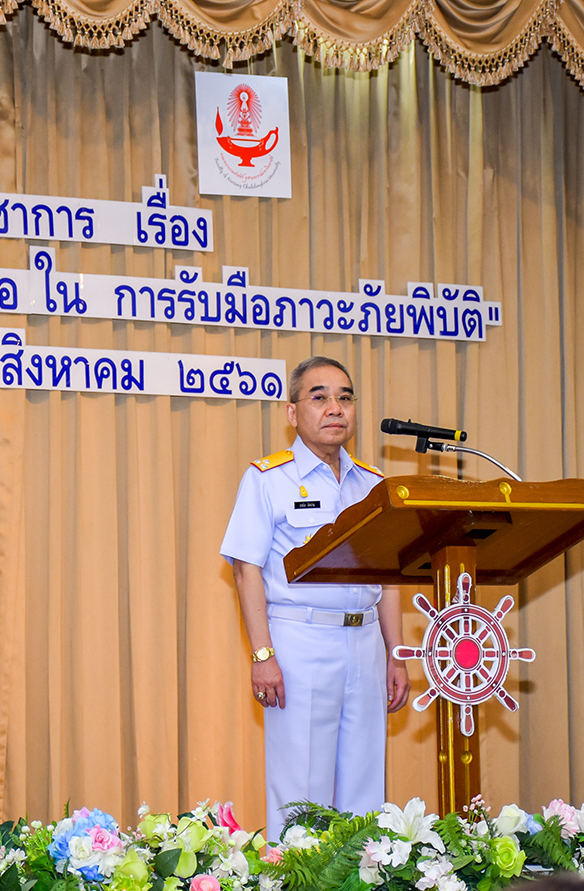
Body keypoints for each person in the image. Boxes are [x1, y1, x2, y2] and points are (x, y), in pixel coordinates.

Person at [219, 356, 410, 840]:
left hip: (365, 644)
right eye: (319, 396)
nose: (334, 408)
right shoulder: (267, 479)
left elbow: (389, 577)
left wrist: (397, 655)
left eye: (345, 397)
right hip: (299, 640)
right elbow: (246, 570)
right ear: (292, 412)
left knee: (366, 791)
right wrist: (262, 656)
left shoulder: (376, 485)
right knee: (302, 793)